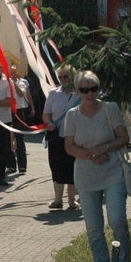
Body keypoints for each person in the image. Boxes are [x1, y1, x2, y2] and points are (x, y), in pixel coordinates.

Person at [64, 70, 131, 262]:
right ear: (77, 91)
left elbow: (123, 137)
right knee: (94, 226)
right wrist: (91, 155)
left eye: (93, 88)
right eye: (84, 89)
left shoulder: (109, 109)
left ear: (98, 88)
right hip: (86, 177)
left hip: (112, 172)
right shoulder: (72, 115)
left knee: (117, 220)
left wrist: (103, 148)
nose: (89, 93)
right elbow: (69, 147)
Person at [42, 67, 79, 209]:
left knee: (72, 167)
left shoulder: (79, 94)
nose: (63, 79)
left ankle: (71, 200)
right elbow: (46, 113)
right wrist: (49, 123)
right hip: (56, 136)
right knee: (56, 167)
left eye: (66, 76)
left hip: (74, 137)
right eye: (60, 77)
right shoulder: (53, 93)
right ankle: (58, 200)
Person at [7, 65, 34, 174]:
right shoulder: (6, 82)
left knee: (19, 138)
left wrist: (32, 107)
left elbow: (24, 94)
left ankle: (22, 166)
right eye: (11, 72)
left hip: (20, 110)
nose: (12, 75)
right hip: (8, 110)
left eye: (14, 72)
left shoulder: (23, 82)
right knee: (8, 138)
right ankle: (10, 165)